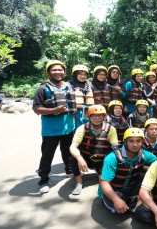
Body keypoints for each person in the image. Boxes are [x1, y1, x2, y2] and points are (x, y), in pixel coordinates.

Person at [33, 60, 77, 193]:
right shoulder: (43, 89)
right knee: (47, 155)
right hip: (50, 130)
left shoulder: (69, 86)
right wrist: (54, 110)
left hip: (68, 127)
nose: (58, 72)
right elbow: (36, 108)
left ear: (64, 71)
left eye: (60, 70)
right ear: (48, 72)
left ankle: (69, 170)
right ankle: (43, 180)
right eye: (54, 70)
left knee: (68, 152)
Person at [99, 128, 157, 214]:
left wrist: (143, 167)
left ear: (142, 142)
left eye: (138, 141)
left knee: (152, 173)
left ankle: (139, 198)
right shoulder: (111, 158)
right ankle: (137, 200)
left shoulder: (144, 154)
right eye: (131, 141)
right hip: (115, 189)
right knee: (118, 210)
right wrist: (116, 199)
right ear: (125, 142)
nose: (135, 144)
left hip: (132, 186)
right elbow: (104, 183)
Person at [69, 105, 117, 195]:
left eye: (100, 115)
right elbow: (73, 147)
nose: (97, 118)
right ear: (89, 116)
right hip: (86, 158)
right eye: (93, 116)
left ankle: (103, 175)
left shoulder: (111, 129)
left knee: (105, 180)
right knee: (72, 158)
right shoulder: (82, 128)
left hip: (102, 159)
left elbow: (115, 147)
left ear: (104, 116)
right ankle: (79, 182)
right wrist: (80, 158)